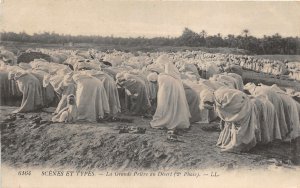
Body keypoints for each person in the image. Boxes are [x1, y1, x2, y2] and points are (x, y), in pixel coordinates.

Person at [150, 55, 191, 130]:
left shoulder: (167, 67)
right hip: (174, 86)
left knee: (165, 104)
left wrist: (160, 74)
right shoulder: (170, 67)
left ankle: (167, 119)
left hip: (168, 86)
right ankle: (174, 118)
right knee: (173, 103)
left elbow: (167, 74)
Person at [214, 88, 258, 153]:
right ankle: (235, 144)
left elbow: (224, 110)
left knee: (240, 127)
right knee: (235, 125)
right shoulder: (219, 94)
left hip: (242, 106)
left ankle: (236, 146)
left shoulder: (219, 97)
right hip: (242, 102)